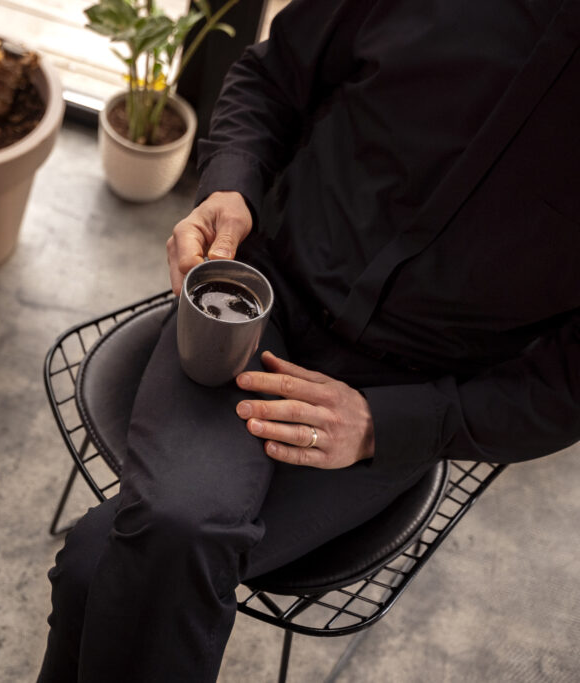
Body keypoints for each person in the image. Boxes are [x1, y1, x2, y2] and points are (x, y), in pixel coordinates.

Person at [38, 0, 580, 680]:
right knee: (169, 529)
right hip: (258, 306)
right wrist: (230, 185)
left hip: (397, 393)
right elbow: (271, 80)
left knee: (98, 562)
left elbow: (567, 389)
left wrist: (389, 424)